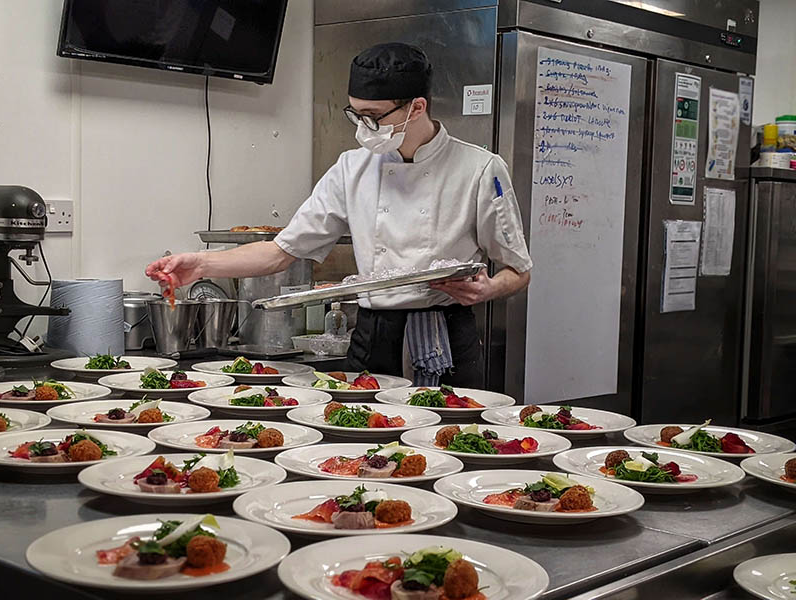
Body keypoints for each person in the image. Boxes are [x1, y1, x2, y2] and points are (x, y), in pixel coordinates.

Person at [146, 42, 532, 388]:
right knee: (358, 451)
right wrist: (201, 264)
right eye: (356, 114)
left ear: (416, 107)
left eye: (373, 116)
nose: (363, 129)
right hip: (371, 333)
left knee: (448, 443)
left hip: (444, 334)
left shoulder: (480, 169)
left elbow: (519, 270)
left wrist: (489, 289)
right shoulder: (352, 167)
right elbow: (281, 252)